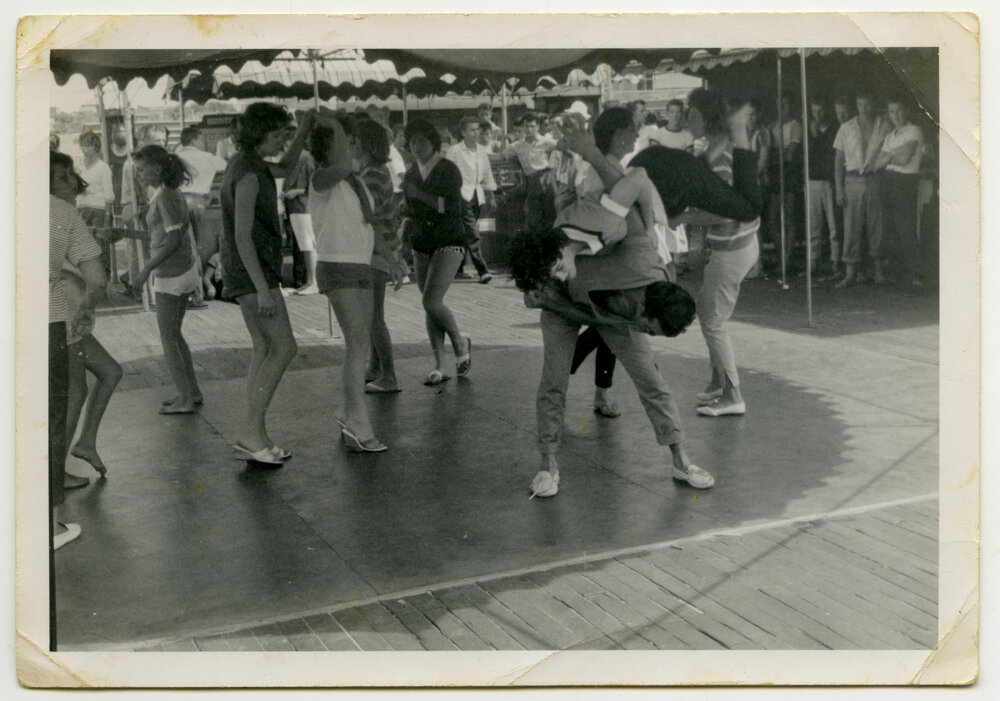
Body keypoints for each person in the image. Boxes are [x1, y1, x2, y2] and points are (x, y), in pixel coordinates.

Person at [515, 107, 715, 498]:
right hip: (562, 291)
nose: (646, 334)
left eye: (650, 333)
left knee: (652, 381)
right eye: (649, 328)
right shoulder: (640, 251)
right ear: (645, 311)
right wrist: (589, 154)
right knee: (554, 381)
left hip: (577, 300)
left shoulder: (653, 299)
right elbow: (621, 189)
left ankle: (681, 460)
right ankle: (548, 464)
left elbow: (611, 324)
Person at [220, 103, 315, 465]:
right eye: (278, 134)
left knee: (263, 348)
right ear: (260, 133)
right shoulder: (246, 172)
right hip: (252, 271)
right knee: (285, 348)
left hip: (247, 270)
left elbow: (287, 166)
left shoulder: (248, 162)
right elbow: (242, 235)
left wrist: (303, 128)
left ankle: (255, 434)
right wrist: (262, 288)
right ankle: (249, 431)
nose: (282, 140)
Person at [307, 115, 388, 452]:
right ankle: (357, 419)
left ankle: (347, 410)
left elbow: (369, 221)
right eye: (345, 141)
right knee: (357, 343)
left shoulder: (357, 182)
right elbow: (342, 166)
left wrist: (386, 256)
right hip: (337, 265)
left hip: (359, 264)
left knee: (361, 343)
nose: (352, 147)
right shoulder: (322, 178)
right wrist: (338, 125)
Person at [683, 88, 762, 417]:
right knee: (706, 308)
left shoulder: (720, 156)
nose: (687, 119)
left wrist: (681, 219)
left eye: (691, 113)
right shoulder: (716, 149)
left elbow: (725, 212)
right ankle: (718, 382)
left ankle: (733, 395)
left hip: (733, 248)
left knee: (713, 320)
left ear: (703, 115)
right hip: (733, 245)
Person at [49, 151, 106, 549]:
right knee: (50, 419)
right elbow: (97, 278)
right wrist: (86, 311)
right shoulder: (63, 215)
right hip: (52, 319)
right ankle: (50, 526)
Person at [53, 156, 123, 479]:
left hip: (62, 314)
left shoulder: (48, 214)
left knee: (109, 371)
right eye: (62, 176)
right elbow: (97, 280)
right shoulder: (63, 215)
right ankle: (54, 473)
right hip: (66, 313)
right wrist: (90, 305)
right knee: (77, 390)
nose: (72, 180)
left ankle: (85, 442)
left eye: (71, 174)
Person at [129, 145, 204, 415]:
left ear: (156, 168)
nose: (137, 176)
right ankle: (191, 392)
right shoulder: (169, 193)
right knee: (175, 335)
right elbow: (161, 238)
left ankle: (185, 398)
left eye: (140, 170)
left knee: (167, 337)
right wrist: (121, 233)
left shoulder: (164, 196)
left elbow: (172, 241)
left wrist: (145, 269)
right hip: (183, 270)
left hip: (171, 274)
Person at [401, 118, 472, 386]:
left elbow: (446, 207)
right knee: (430, 306)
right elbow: (410, 209)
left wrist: (416, 195)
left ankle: (459, 342)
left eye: (422, 141)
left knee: (431, 301)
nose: (417, 146)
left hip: (449, 240)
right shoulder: (410, 174)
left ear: (433, 142)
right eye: (412, 142)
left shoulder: (448, 169)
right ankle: (440, 364)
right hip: (421, 243)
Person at [355, 119, 405, 396]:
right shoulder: (379, 171)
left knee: (374, 317)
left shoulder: (371, 175)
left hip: (377, 249)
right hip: (384, 246)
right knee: (374, 316)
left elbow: (369, 218)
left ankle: (389, 375)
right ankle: (376, 367)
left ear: (364, 144)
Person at [833, 90, 890, 286]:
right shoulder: (846, 128)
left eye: (867, 104)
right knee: (852, 227)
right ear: (856, 106)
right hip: (852, 181)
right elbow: (839, 160)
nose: (864, 109)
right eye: (860, 105)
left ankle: (878, 271)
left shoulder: (884, 126)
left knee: (877, 225)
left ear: (873, 104)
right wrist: (839, 189)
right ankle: (850, 273)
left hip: (875, 180)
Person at [872, 95, 925, 286]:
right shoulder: (890, 136)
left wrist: (888, 156)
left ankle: (916, 275)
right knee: (891, 228)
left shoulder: (914, 131)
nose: (895, 115)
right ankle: (900, 274)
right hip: (888, 182)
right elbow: (876, 163)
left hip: (905, 183)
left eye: (899, 110)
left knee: (906, 228)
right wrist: (895, 153)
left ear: (907, 111)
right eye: (892, 111)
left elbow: (904, 160)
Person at [176, 126, 228, 301]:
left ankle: (192, 290)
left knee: (184, 247)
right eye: (200, 140)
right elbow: (226, 165)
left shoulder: (176, 157)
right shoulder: (207, 157)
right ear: (193, 140)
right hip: (199, 202)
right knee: (194, 247)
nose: (202, 143)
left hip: (177, 201)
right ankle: (197, 291)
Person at [446, 116, 496, 284]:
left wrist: (491, 194)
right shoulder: (454, 151)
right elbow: (447, 174)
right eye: (472, 130)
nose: (476, 133)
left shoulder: (481, 150)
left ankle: (457, 269)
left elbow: (487, 173)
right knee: (472, 232)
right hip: (461, 193)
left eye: (477, 129)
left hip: (477, 194)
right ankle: (482, 270)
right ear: (463, 132)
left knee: (464, 232)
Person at [805, 96, 841, 277]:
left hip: (828, 181)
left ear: (827, 110)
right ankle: (813, 263)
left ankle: (835, 263)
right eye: (814, 111)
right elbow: (805, 156)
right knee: (813, 226)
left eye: (821, 111)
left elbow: (831, 156)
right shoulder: (809, 130)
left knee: (833, 226)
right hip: (812, 181)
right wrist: (812, 135)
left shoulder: (835, 129)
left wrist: (817, 135)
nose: (818, 115)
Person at [281, 149, 319, 294]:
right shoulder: (295, 158)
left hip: (303, 206)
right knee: (304, 245)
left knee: (308, 244)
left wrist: (296, 191)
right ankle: (310, 280)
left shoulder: (304, 158)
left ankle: (313, 282)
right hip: (295, 207)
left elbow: (313, 183)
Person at [506, 112, 557, 176]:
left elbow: (563, 151)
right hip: (528, 181)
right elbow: (501, 156)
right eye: (526, 126)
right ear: (522, 127)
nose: (529, 129)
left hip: (544, 180)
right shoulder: (516, 146)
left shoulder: (547, 141)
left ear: (538, 127)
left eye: (532, 126)